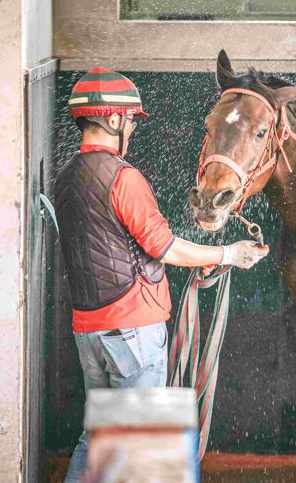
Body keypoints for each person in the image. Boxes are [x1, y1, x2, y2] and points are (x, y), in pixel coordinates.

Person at [54, 67, 269, 482]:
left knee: (101, 434)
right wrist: (229, 254)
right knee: (146, 446)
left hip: (89, 331)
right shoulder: (124, 178)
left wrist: (203, 256)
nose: (131, 129)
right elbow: (163, 246)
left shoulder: (67, 177)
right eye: (131, 120)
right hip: (132, 332)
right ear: (114, 119)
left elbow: (113, 242)